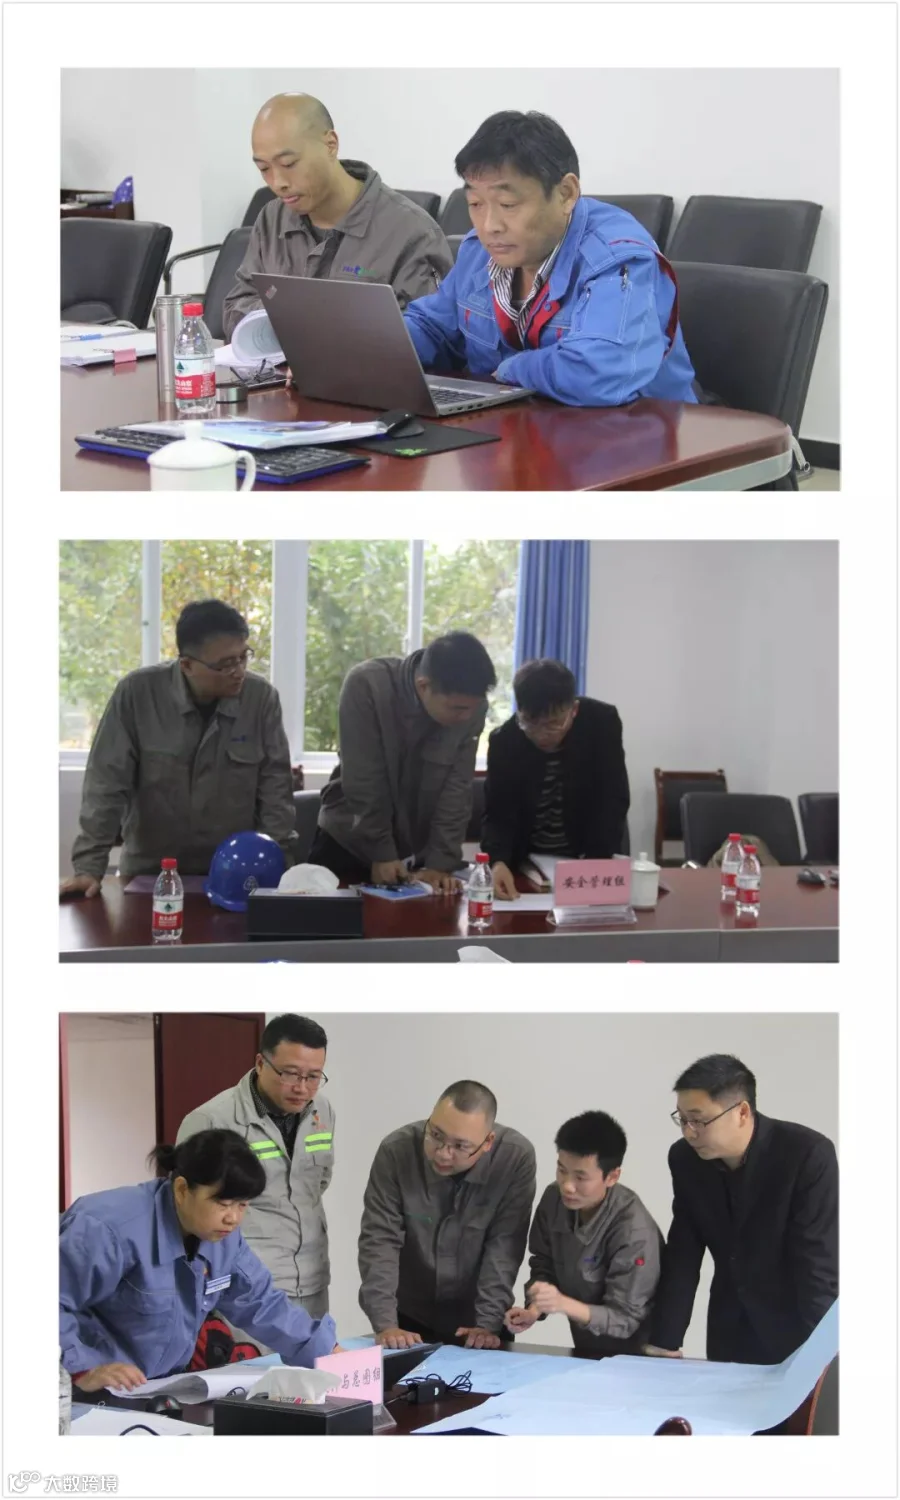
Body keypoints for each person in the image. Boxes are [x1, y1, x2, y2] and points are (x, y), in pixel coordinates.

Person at [403, 110, 698, 408]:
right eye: (476, 203)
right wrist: (385, 344)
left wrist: (511, 370)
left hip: (635, 431)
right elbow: (435, 328)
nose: (489, 225)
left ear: (566, 194)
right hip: (514, 426)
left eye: (507, 204)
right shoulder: (480, 251)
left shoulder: (619, 260)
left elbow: (596, 372)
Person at [59, 1130, 340, 1393]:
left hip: (153, 1388)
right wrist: (82, 1369)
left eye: (242, 1205)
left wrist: (327, 1352)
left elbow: (260, 1303)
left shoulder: (222, 1237)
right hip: (83, 1390)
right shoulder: (107, 1228)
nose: (233, 1218)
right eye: (223, 1203)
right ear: (182, 1190)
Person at [59, 600, 298, 897]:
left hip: (233, 874)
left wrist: (280, 871)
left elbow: (276, 793)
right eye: (225, 664)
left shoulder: (260, 700)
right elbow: (106, 785)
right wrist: (88, 868)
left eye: (243, 657)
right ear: (186, 665)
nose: (238, 671)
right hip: (150, 872)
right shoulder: (137, 694)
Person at [646, 1054, 839, 1364]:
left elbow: (816, 1264)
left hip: (795, 1329)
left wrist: (824, 1359)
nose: (689, 1132)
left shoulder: (806, 1155)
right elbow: (684, 1252)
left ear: (742, 1112)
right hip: (729, 1329)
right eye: (682, 1120)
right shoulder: (685, 1159)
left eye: (699, 1120)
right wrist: (665, 1341)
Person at [223, 92, 453, 340]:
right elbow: (235, 308)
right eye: (264, 168)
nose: (278, 182)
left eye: (289, 164)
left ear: (330, 145)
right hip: (279, 364)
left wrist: (323, 326)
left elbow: (430, 338)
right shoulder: (272, 219)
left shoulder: (411, 231)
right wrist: (290, 317)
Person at [309, 632, 496, 891]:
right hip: (349, 841)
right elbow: (364, 783)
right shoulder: (368, 685)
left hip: (414, 852)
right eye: (458, 709)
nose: (466, 717)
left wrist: (440, 863)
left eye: (473, 708)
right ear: (423, 686)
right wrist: (381, 852)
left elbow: (456, 791)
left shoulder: (470, 708)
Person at [176, 1015, 334, 1318]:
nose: (302, 1088)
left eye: (314, 1076)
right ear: (261, 1063)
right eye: (291, 1074)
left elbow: (318, 1182)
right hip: (245, 1290)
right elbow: (188, 1213)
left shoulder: (322, 1112)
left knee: (314, 1349)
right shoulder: (212, 1120)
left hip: (312, 1280)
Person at [358, 1081, 536, 1350]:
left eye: (460, 1146)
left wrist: (487, 1324)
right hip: (408, 1318)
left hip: (477, 1319)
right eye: (436, 1135)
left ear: (487, 1142)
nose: (442, 1153)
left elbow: (504, 1247)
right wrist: (386, 1324)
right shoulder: (397, 1151)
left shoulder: (514, 1159)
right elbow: (380, 1239)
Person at [506, 1110, 663, 1356]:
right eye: (562, 1170)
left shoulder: (634, 1231)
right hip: (586, 1348)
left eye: (581, 1177)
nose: (567, 1186)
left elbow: (625, 1319)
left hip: (638, 1357)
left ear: (612, 1176)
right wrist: (534, 1310)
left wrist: (562, 1303)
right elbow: (543, 1264)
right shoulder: (553, 1199)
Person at [481, 659, 630, 900]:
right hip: (528, 866)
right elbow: (498, 813)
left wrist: (594, 863)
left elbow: (613, 797)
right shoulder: (505, 742)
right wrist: (497, 862)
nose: (542, 735)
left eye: (553, 724)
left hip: (590, 854)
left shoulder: (602, 723)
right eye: (530, 723)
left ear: (574, 709)